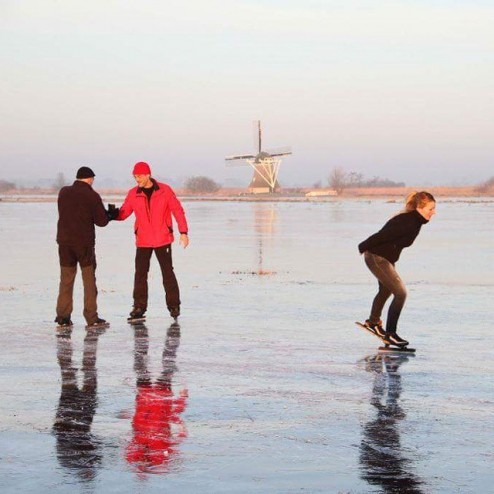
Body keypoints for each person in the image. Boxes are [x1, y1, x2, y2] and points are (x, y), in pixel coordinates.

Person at [358, 191, 436, 347]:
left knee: (386, 290)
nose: (434, 212)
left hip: (385, 258)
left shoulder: (415, 221)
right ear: (420, 207)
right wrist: (363, 245)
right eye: (431, 209)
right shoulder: (407, 221)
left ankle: (373, 322)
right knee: (400, 293)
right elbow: (383, 235)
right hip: (377, 257)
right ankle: (390, 334)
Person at [116, 162, 189, 321]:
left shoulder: (165, 190)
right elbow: (124, 213)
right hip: (143, 239)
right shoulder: (133, 193)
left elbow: (177, 210)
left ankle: (174, 305)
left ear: (148, 174)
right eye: (135, 176)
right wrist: (110, 214)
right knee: (140, 274)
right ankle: (139, 307)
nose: (137, 179)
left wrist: (183, 232)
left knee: (167, 272)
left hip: (163, 238)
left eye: (140, 176)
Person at [55, 166, 117, 328]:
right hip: (84, 244)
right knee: (89, 280)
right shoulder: (91, 195)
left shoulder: (64, 192)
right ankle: (91, 317)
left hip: (64, 243)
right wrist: (110, 215)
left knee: (66, 280)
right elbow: (101, 221)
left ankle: (63, 317)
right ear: (90, 179)